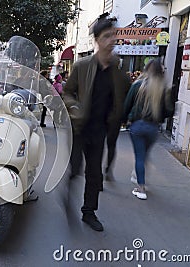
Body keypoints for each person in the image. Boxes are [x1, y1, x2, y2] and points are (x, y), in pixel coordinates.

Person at [62, 16, 130, 231]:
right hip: (79, 128)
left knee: (94, 173)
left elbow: (121, 99)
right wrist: (75, 108)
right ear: (97, 40)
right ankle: (66, 193)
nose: (112, 40)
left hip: (100, 131)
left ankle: (88, 212)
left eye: (113, 35)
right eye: (107, 36)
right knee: (75, 170)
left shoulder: (118, 73)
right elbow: (67, 92)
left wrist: (118, 119)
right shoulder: (82, 66)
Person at [124, 59, 174, 200]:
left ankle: (141, 188)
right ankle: (137, 175)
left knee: (140, 156)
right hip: (153, 128)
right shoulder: (163, 88)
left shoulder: (138, 85)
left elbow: (127, 103)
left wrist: (124, 119)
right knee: (144, 154)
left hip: (138, 126)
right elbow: (169, 111)